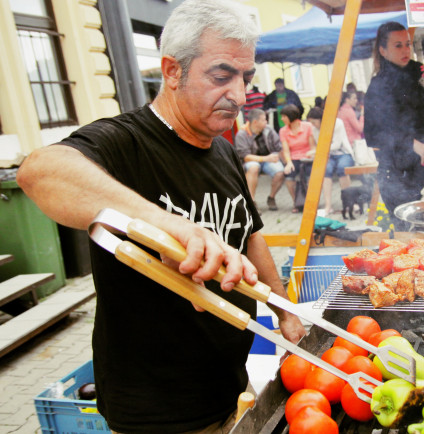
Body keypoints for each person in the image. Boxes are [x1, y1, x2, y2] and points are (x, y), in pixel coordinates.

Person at [15, 1, 306, 432]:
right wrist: (171, 226)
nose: (241, 96)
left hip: (226, 387)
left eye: (246, 78)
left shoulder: (222, 149)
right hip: (156, 412)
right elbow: (39, 172)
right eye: (221, 75)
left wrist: (285, 311)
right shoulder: (125, 141)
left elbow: (250, 236)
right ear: (172, 71)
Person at [364, 21, 424, 230]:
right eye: (398, 45)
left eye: (407, 44)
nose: (405, 50)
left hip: (423, 170)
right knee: (405, 231)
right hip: (394, 172)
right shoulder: (378, 85)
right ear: (383, 50)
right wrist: (411, 143)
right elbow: (373, 134)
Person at [234, 109, 285, 211]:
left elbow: (278, 147)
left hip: (268, 160)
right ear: (255, 122)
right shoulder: (242, 134)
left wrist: (284, 161)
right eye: (264, 120)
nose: (266, 122)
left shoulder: (269, 130)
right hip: (251, 161)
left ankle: (271, 197)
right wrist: (265, 158)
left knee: (280, 172)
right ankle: (252, 202)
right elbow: (245, 156)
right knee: (253, 167)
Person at [307, 107, 354, 216]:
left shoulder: (337, 123)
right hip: (329, 155)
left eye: (314, 122)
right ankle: (328, 206)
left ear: (320, 119)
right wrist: (317, 151)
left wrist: (315, 151)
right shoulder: (314, 129)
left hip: (343, 153)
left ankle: (349, 203)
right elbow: (321, 145)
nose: (312, 125)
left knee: (342, 168)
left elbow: (336, 145)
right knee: (325, 170)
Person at [279, 104, 316, 213]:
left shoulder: (307, 126)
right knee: (289, 178)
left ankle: (311, 202)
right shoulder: (283, 131)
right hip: (293, 158)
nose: (282, 119)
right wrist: (288, 163)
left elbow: (312, 146)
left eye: (284, 116)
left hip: (307, 157)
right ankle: (297, 202)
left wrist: (310, 154)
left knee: (311, 176)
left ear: (291, 116)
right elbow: (286, 151)